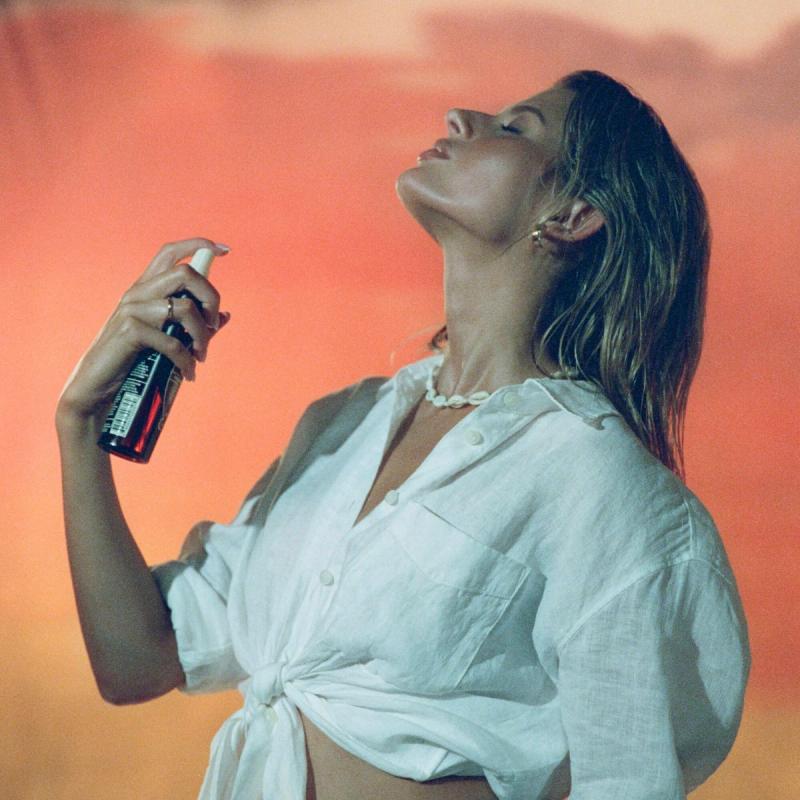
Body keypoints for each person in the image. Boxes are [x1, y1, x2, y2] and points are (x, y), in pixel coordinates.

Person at [56, 70, 750, 800]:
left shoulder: (600, 482)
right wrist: (78, 425)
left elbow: (629, 782)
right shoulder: (340, 426)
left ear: (575, 214)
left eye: (515, 128)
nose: (458, 116)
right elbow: (140, 659)